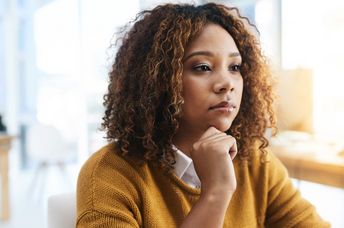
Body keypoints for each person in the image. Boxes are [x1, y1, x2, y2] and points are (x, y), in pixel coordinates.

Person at [76, 3, 330, 227]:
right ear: (159, 81)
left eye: (235, 67)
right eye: (203, 67)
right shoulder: (110, 174)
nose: (227, 83)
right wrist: (216, 192)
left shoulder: (255, 161)